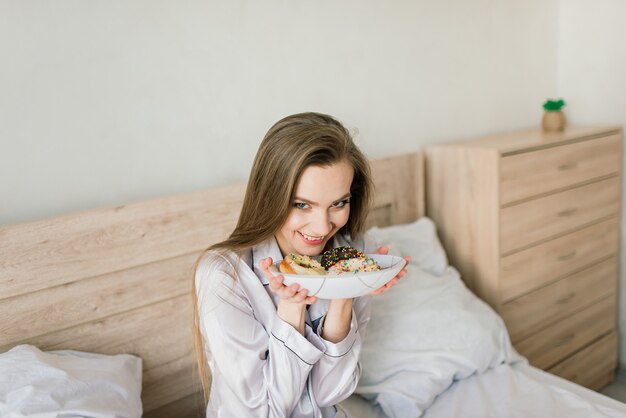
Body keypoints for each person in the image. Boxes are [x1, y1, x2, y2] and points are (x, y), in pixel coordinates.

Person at [192, 112, 409, 417]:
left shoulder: (352, 255)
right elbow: (265, 412)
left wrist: (343, 291)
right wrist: (291, 310)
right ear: (270, 197)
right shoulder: (225, 277)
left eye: (338, 203)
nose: (322, 227)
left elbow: (329, 393)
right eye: (302, 204)